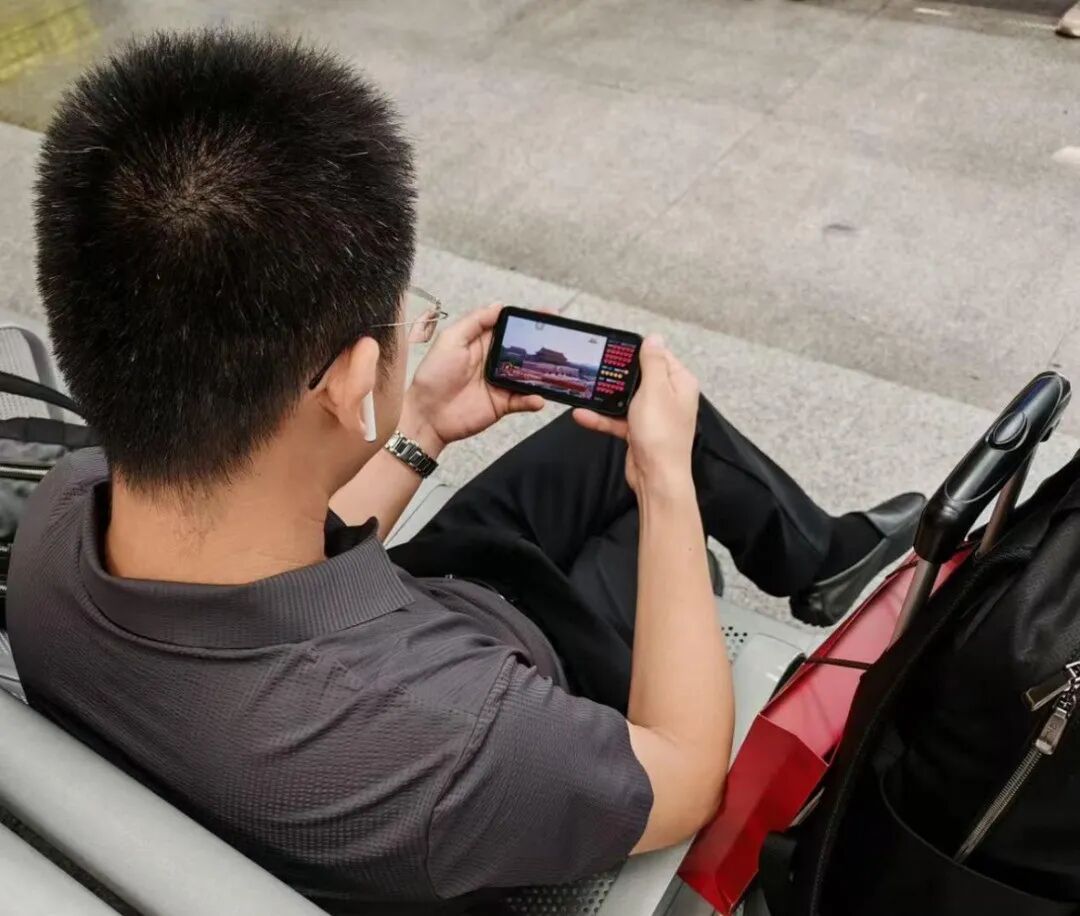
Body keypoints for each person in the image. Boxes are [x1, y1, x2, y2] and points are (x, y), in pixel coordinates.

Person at [7, 30, 924, 916]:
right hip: (494, 674)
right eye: (404, 320)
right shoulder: (461, 745)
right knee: (650, 469)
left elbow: (260, 538)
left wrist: (421, 430)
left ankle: (823, 555)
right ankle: (805, 556)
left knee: (602, 447)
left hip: (407, 620)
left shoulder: (61, 516)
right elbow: (684, 778)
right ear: (349, 383)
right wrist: (667, 481)